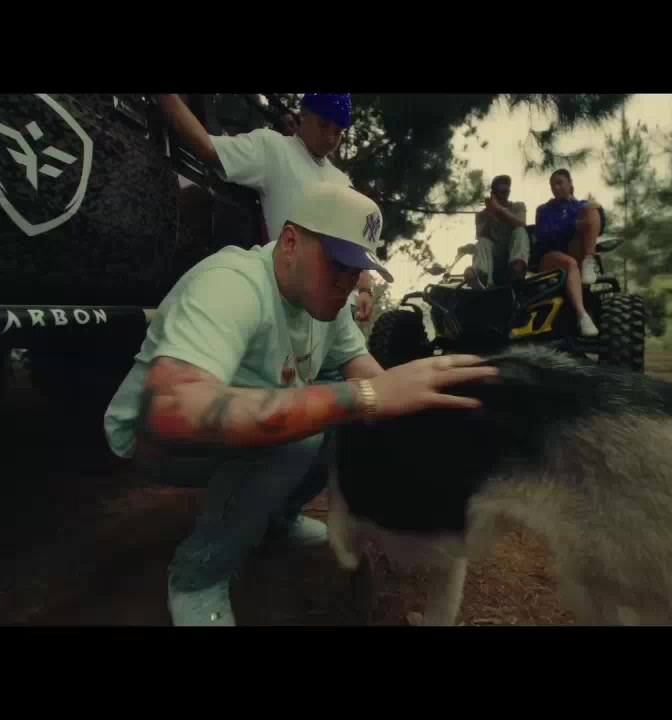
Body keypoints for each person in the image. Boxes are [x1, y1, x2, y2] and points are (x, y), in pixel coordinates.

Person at [102, 181, 498, 626]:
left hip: (230, 423)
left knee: (336, 413)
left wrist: (426, 425)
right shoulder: (232, 283)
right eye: (337, 264)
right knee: (309, 428)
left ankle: (276, 519)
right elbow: (170, 407)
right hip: (153, 440)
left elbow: (366, 374)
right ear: (290, 242)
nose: (347, 282)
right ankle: (198, 574)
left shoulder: (327, 302)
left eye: (355, 270)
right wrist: (363, 397)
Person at [155, 92, 375, 323]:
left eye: (338, 132)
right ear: (304, 114)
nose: (330, 138)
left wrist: (364, 289)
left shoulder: (342, 182)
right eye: (324, 125)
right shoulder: (273, 148)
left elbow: (356, 244)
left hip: (331, 310)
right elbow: (208, 148)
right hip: (282, 304)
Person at [533, 169, 605, 337]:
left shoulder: (579, 206)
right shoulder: (544, 210)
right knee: (570, 264)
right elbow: (545, 235)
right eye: (552, 185)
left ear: (570, 184)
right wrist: (573, 225)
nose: (555, 188)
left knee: (592, 209)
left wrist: (598, 211)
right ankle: (582, 316)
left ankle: (588, 261)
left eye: (559, 183)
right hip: (550, 257)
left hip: (575, 252)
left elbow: (599, 226)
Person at [463, 175, 530, 288]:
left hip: (513, 253)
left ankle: (517, 268)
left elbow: (521, 223)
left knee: (520, 231)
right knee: (483, 242)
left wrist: (500, 209)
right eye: (502, 192)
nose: (505, 195)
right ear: (493, 194)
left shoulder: (518, 206)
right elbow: (480, 236)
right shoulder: (482, 215)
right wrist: (489, 214)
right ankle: (482, 276)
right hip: (494, 257)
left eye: (507, 191)